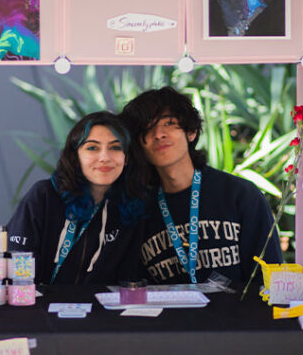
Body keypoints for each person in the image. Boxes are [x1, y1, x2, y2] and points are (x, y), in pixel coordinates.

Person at [120, 86, 282, 285]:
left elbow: (269, 274)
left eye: (169, 123)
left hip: (236, 316)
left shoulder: (239, 194)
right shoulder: (139, 209)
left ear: (191, 132)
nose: (159, 134)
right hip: (169, 316)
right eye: (147, 128)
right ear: (138, 144)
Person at [6, 111, 143, 285]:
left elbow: (128, 280)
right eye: (92, 148)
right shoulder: (44, 196)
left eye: (115, 147)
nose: (104, 158)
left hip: (100, 310)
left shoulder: (130, 208)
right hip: (35, 307)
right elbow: (17, 262)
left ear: (127, 158)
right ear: (75, 156)